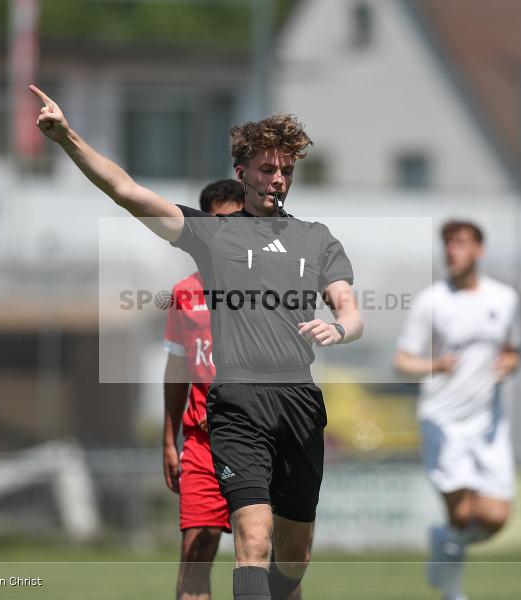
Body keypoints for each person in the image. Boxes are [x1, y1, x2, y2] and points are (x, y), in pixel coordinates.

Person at [31, 85, 363, 600]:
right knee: (253, 537)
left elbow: (350, 310)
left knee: (294, 558)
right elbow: (127, 190)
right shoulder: (213, 234)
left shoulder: (317, 237)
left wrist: (340, 327)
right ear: (242, 172)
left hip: (298, 399)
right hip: (238, 402)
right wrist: (67, 138)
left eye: (286, 170)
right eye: (267, 169)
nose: (278, 179)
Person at [394, 220, 521, 600]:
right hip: (443, 420)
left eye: (461, 242)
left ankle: (444, 541)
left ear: (479, 250)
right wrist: (435, 365)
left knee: (495, 517)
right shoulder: (431, 301)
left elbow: (512, 351)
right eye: (448, 243)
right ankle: (453, 593)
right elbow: (402, 361)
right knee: (462, 514)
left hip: (489, 423)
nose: (452, 250)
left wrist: (509, 364)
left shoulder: (505, 299)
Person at [163, 179, 245, 600]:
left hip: (258, 438)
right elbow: (177, 370)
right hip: (202, 442)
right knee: (197, 549)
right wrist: (169, 440)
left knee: (270, 557)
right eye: (216, 223)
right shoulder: (185, 294)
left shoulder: (270, 286)